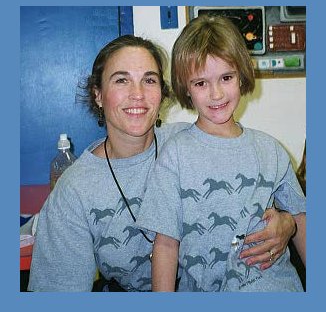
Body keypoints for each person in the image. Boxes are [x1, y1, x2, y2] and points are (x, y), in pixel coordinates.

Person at [28, 34, 297, 292]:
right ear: (98, 94)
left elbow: (256, 186)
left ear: (163, 92)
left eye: (149, 80)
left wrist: (287, 223)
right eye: (122, 80)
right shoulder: (74, 191)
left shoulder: (195, 140)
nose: (138, 94)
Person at [136, 16, 306, 292]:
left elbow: (300, 218)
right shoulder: (174, 156)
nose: (216, 94)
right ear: (186, 88)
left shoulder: (270, 150)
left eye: (226, 78)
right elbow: (166, 244)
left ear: (241, 76)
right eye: (201, 83)